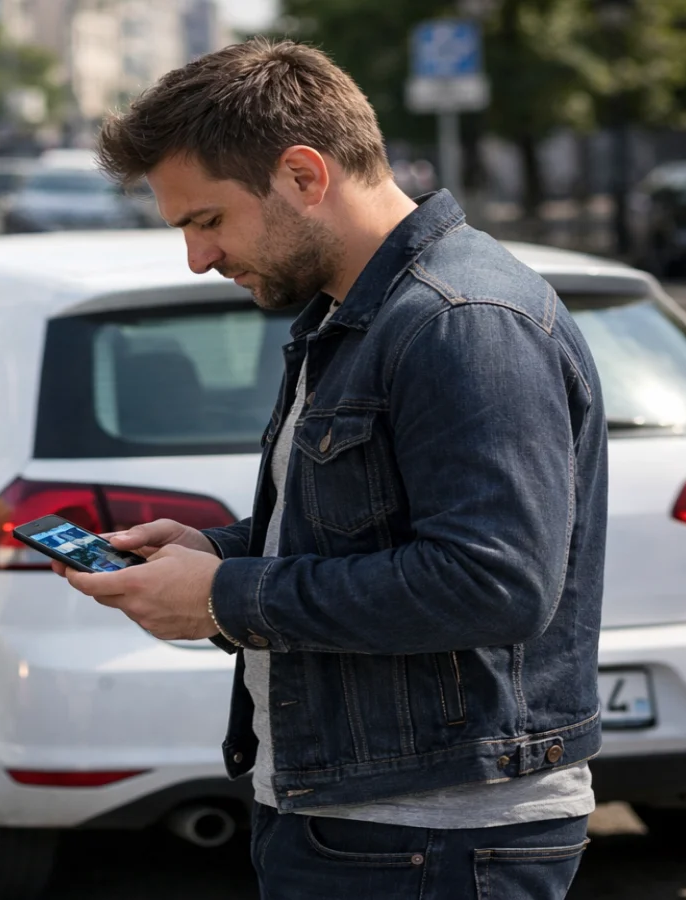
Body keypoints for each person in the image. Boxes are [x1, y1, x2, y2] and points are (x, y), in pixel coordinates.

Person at [73, 39, 606, 898]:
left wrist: (226, 596)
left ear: (303, 175)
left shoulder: (459, 320)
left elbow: (493, 582)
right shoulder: (361, 313)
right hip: (365, 818)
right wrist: (221, 553)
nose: (198, 258)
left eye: (205, 220)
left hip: (431, 838)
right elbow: (374, 525)